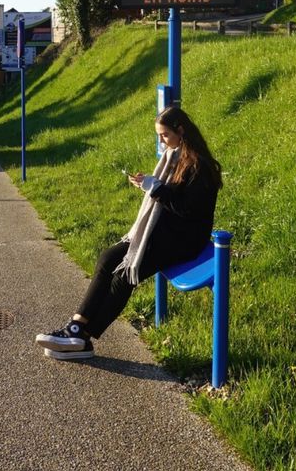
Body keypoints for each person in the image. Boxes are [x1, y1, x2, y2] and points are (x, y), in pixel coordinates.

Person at [35, 106, 223, 360]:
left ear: (181, 131)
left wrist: (154, 188)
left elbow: (186, 209)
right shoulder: (174, 157)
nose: (161, 141)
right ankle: (77, 327)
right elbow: (168, 198)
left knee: (124, 274)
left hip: (183, 240)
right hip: (163, 232)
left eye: (164, 135)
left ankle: (82, 338)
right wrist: (150, 186)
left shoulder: (199, 166)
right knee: (108, 257)